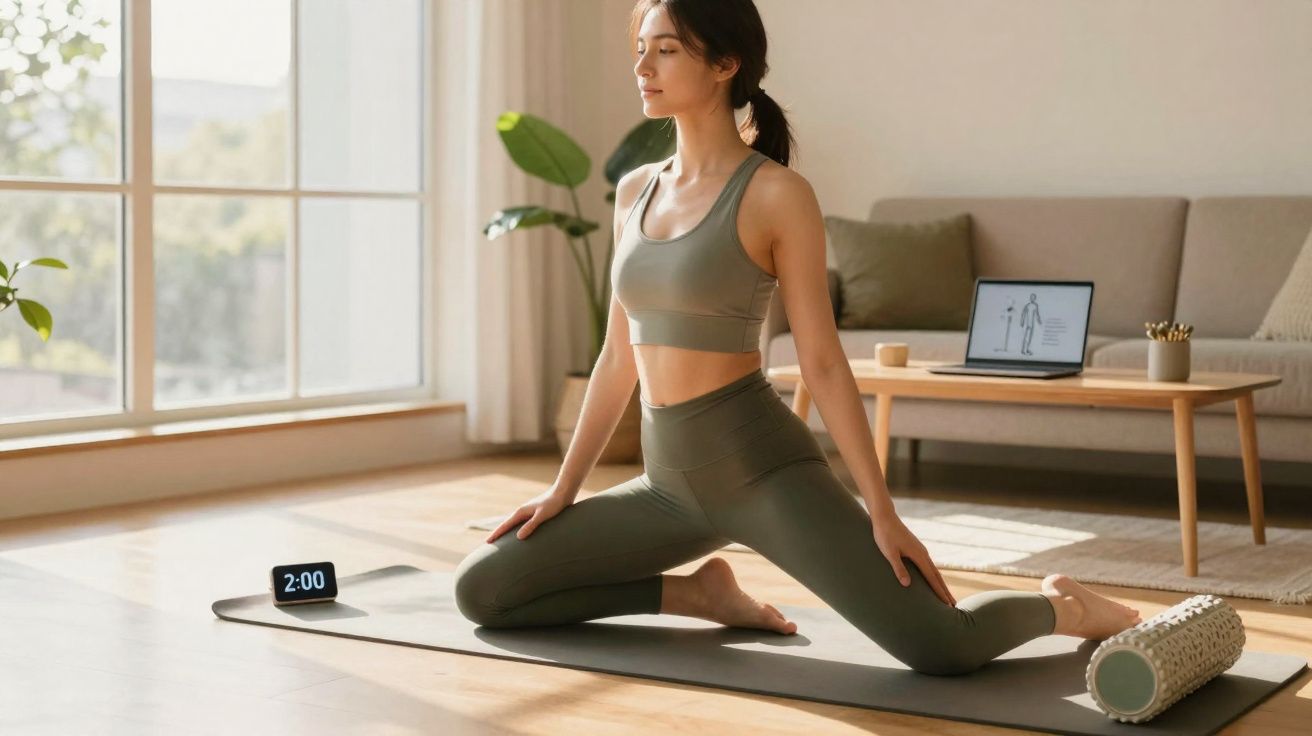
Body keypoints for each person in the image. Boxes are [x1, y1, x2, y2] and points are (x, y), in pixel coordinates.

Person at [454, 0, 1141, 676]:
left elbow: (823, 363)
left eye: (666, 50)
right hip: (666, 486)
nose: (643, 67)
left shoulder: (776, 194)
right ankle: (694, 595)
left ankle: (1065, 606)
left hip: (763, 474)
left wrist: (882, 511)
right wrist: (563, 491)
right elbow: (615, 358)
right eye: (642, 49)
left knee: (942, 645)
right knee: (483, 589)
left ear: (724, 64)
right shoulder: (635, 191)